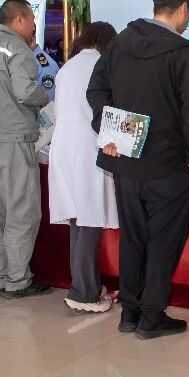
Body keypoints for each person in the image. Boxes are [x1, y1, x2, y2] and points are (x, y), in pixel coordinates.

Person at [88, 0, 189, 339]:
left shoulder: (119, 43)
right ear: (183, 9)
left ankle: (130, 312)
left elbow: (96, 90)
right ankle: (152, 316)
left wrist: (110, 132)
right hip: (170, 165)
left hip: (127, 161)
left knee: (134, 238)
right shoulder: (184, 54)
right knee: (163, 242)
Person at [0, 0, 52, 299]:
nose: (33, 25)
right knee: (22, 213)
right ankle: (18, 280)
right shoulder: (17, 48)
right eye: (31, 19)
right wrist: (45, 96)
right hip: (13, 142)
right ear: (19, 19)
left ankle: (3, 275)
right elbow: (25, 91)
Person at [49, 21, 119, 313]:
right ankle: (85, 292)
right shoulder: (101, 64)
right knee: (89, 219)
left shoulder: (68, 66)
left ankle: (83, 285)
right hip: (88, 147)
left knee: (78, 221)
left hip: (64, 147)